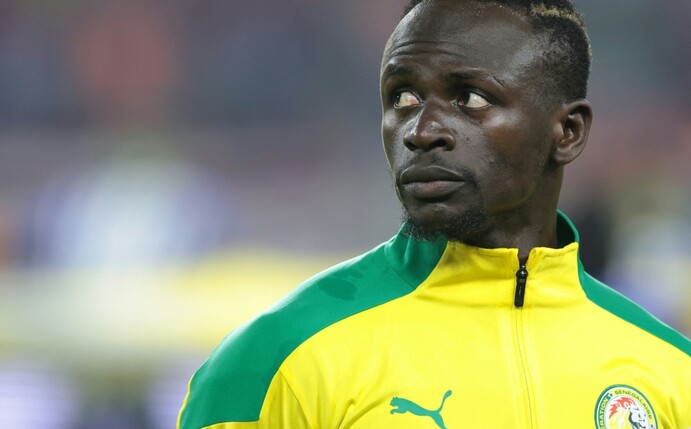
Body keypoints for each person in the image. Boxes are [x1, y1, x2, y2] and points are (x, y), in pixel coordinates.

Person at [177, 0, 691, 427]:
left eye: (470, 98)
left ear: (568, 132)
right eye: (403, 96)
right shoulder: (273, 362)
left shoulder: (671, 371)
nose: (421, 131)